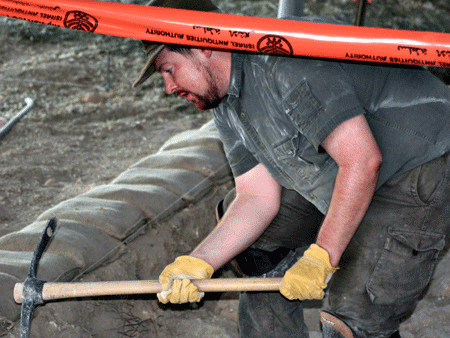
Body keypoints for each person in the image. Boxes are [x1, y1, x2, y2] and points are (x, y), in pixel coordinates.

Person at [133, 0, 450, 337]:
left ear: (203, 45)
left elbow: (363, 161)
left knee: (351, 319)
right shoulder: (225, 106)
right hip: (352, 169)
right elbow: (256, 198)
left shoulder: (285, 62)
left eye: (169, 69)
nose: (168, 87)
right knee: (255, 245)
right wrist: (198, 263)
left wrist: (322, 257)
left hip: (420, 166)